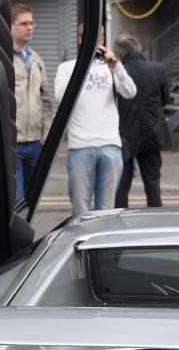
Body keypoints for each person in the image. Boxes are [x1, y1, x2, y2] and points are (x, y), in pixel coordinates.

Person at [55, 25, 137, 214]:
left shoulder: (111, 67)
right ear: (79, 39)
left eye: (98, 38)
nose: (94, 42)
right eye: (88, 37)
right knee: (80, 209)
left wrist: (116, 66)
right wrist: (82, 66)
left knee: (107, 210)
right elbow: (61, 98)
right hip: (80, 146)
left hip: (109, 144)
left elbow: (130, 92)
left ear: (103, 40)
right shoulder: (67, 68)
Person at [114, 33, 169, 208]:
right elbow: (165, 99)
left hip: (125, 134)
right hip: (152, 133)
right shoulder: (157, 69)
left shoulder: (119, 72)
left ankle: (118, 221)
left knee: (122, 185)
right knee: (153, 183)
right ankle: (155, 219)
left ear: (121, 54)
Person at [11, 3, 52, 204]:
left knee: (32, 199)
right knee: (17, 201)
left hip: (36, 143)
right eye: (24, 23)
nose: (30, 28)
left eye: (32, 23)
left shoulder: (36, 59)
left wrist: (45, 135)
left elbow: (45, 99)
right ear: (11, 27)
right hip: (13, 143)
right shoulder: (4, 59)